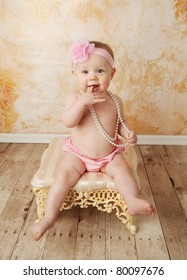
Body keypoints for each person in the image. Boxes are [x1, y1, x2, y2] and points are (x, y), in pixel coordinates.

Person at [31, 40, 155, 241]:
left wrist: (129, 133)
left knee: (123, 170)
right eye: (85, 72)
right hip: (78, 154)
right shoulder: (75, 97)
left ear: (112, 74)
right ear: (75, 74)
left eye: (99, 71)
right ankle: (49, 216)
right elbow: (68, 121)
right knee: (62, 175)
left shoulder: (115, 101)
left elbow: (120, 124)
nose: (93, 77)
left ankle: (131, 200)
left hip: (109, 155)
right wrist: (82, 103)